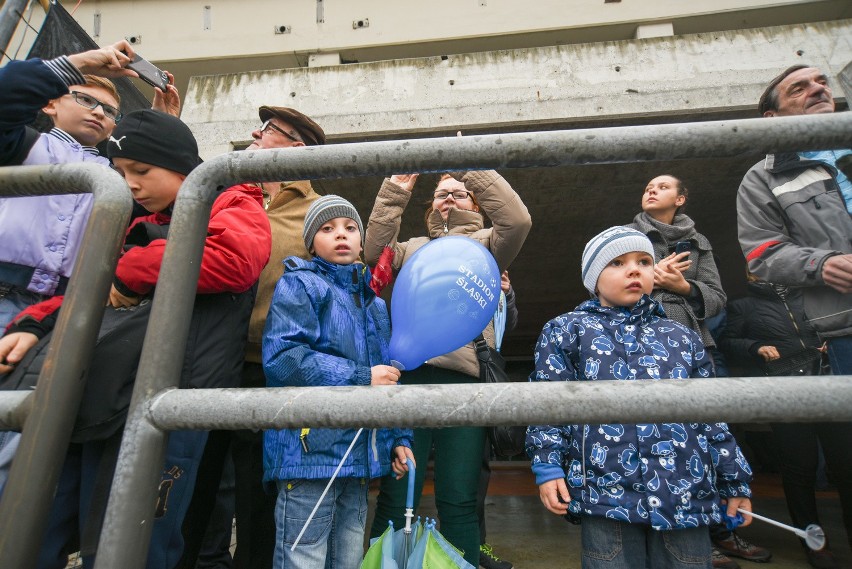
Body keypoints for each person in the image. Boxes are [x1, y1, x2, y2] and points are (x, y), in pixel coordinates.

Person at [0, 109, 271, 568]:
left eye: (142, 171)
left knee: (131, 544)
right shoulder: (130, 221)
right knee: (34, 529)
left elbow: (234, 258)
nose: (130, 183)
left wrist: (130, 273)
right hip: (99, 395)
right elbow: (89, 285)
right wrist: (33, 323)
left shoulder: (233, 200)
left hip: (168, 401)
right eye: (121, 173)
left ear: (183, 164)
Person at [527, 225, 754, 569]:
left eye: (644, 261)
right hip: (606, 492)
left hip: (685, 493)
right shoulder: (567, 330)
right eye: (616, 263)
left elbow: (711, 415)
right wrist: (548, 465)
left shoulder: (681, 336)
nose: (634, 269)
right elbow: (547, 402)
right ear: (592, 278)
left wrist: (734, 480)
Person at [176, 106, 326, 569]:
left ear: (297, 148)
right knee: (194, 480)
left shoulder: (318, 211)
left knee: (257, 489)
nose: (254, 134)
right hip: (208, 361)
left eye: (268, 131)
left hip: (269, 369)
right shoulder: (226, 189)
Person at [366, 170, 531, 567]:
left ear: (476, 204)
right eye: (442, 194)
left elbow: (518, 221)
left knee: (458, 497)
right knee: (395, 489)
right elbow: (372, 254)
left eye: (460, 194)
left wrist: (474, 167)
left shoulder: (490, 246)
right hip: (409, 379)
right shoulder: (412, 248)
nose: (449, 200)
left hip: (466, 389)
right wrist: (394, 194)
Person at [737, 64, 852, 568]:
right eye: (798, 88)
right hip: (818, 355)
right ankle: (817, 548)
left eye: (821, 82)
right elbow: (729, 336)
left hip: (823, 356)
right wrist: (821, 264)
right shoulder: (761, 178)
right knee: (810, 467)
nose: (817, 90)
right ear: (771, 116)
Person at [262, 195, 413, 569]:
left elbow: (387, 375)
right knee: (303, 558)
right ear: (311, 241)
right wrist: (361, 377)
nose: (340, 235)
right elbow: (283, 360)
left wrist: (397, 438)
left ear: (362, 242)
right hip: (309, 455)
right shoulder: (300, 285)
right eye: (327, 229)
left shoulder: (375, 304)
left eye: (349, 228)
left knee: (347, 558)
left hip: (359, 456)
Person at [720, 273, 845, 568]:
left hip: (830, 389)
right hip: (786, 394)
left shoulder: (812, 297)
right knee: (799, 468)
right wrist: (755, 347)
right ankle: (815, 543)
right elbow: (727, 342)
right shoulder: (744, 306)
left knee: (845, 466)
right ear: (748, 272)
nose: (762, 271)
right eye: (755, 266)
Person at [478, 270, 518, 569]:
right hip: (427, 377)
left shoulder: (483, 277)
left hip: (477, 383)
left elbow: (505, 328)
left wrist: (504, 297)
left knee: (474, 476)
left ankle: (473, 548)